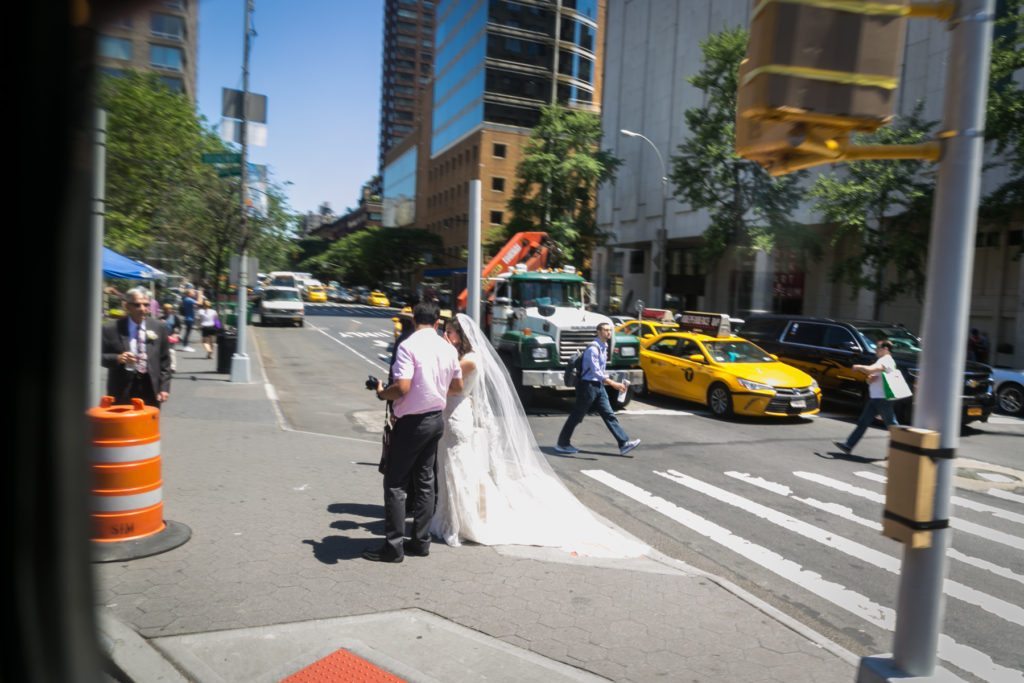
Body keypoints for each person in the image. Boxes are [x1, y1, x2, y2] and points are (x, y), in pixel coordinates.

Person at [430, 314, 647, 557]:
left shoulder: (469, 359)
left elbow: (453, 384)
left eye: (451, 332)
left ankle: (465, 521)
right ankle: (453, 516)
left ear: (462, 335)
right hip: (455, 413)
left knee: (459, 468)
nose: (447, 336)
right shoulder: (463, 356)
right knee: (453, 468)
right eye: (446, 332)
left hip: (458, 416)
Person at [364, 301, 463, 563]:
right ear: (438, 322)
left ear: (412, 320)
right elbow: (457, 386)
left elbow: (403, 387)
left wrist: (382, 393)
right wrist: (435, 389)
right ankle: (421, 541)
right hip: (435, 419)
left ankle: (393, 546)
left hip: (411, 422)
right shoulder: (447, 348)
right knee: (425, 481)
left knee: (396, 483)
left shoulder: (408, 346)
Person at [555, 322, 641, 456]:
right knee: (577, 416)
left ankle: (623, 443)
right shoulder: (593, 349)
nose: (609, 333)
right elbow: (596, 372)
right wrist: (614, 384)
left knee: (609, 414)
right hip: (587, 386)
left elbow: (600, 372)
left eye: (610, 330)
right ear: (599, 332)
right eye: (606, 330)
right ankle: (562, 443)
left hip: (598, 386)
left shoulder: (604, 347)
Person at [100, 287, 172, 408]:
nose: (143, 309)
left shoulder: (159, 327)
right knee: (124, 425)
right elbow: (99, 357)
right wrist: (118, 358)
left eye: (146, 305)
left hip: (150, 386)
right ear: (127, 306)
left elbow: (165, 361)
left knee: (148, 424)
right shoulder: (111, 329)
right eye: (137, 305)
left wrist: (164, 388)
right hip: (123, 388)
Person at [834, 339, 899, 455]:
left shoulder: (887, 360)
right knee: (863, 422)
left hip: (883, 399)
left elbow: (871, 369)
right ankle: (848, 445)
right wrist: (870, 380)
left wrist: (858, 366)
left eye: (878, 348)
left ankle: (899, 451)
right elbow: (872, 377)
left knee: (893, 426)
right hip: (876, 398)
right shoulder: (883, 360)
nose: (875, 350)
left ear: (885, 349)